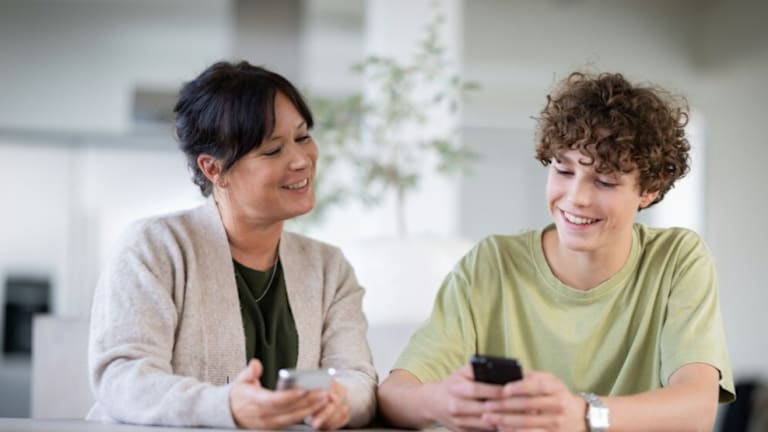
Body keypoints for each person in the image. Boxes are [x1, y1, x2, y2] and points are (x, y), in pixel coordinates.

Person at [378, 72, 735, 432]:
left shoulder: (676, 259)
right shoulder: (492, 263)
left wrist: (582, 415)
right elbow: (395, 395)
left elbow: (697, 409)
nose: (576, 197)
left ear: (649, 190)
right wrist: (443, 402)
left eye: (605, 180)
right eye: (563, 170)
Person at [87, 61, 377, 430]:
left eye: (303, 137)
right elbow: (122, 379)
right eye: (273, 150)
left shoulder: (329, 267)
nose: (302, 160)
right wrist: (225, 406)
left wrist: (341, 401)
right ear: (213, 169)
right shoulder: (155, 247)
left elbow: (360, 379)